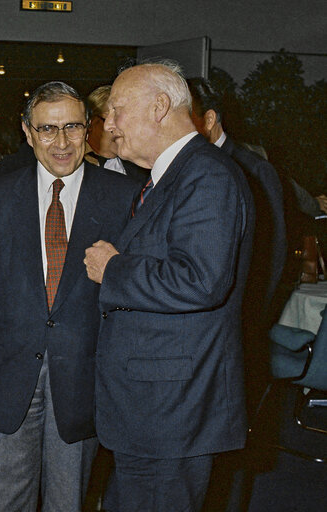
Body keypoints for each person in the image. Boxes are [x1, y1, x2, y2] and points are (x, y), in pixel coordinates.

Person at [83, 61, 254, 512]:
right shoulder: (175, 175)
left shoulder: (207, 175)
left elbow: (200, 280)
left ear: (159, 107)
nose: (109, 125)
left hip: (171, 412)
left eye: (117, 110)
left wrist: (113, 269)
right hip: (153, 410)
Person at [0, 81, 138, 512]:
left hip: (85, 382)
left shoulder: (125, 198)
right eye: (47, 130)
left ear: (90, 129)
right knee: (2, 503)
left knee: (70, 503)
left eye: (72, 127)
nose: (61, 142)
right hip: (5, 379)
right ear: (27, 132)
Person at [188, 76, 287, 406]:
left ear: (210, 120)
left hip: (238, 324)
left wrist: (251, 321)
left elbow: (272, 256)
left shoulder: (253, 170)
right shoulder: (178, 170)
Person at [86, 85, 149, 185]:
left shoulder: (142, 169)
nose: (122, 130)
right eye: (115, 121)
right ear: (92, 123)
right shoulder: (70, 161)